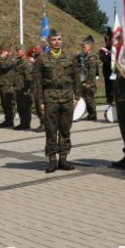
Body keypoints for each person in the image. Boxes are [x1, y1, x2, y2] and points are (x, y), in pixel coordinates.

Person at [33, 30, 79, 173]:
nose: (57, 42)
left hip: (66, 98)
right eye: (54, 39)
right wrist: (39, 101)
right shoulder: (42, 60)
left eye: (59, 39)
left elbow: (77, 79)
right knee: (51, 130)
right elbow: (37, 83)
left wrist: (76, 97)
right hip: (50, 98)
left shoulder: (70, 58)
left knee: (65, 130)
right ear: (49, 41)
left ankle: (63, 159)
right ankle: (52, 160)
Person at [13, 46, 36, 130]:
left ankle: (26, 124)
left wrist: (27, 89)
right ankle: (23, 123)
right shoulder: (19, 62)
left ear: (23, 52)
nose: (16, 53)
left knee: (25, 108)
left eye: (18, 51)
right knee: (20, 107)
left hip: (24, 89)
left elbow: (29, 77)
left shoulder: (26, 63)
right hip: (19, 88)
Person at [78, 37, 100, 121]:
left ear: (90, 47)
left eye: (84, 47)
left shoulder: (92, 58)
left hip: (90, 83)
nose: (83, 49)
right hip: (85, 81)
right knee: (87, 98)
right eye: (82, 47)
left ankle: (93, 114)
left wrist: (89, 83)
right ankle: (90, 113)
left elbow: (92, 72)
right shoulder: (85, 58)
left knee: (89, 98)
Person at [0, 45, 17, 127]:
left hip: (8, 84)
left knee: (8, 103)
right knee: (4, 103)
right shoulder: (6, 59)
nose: (2, 53)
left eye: (3, 51)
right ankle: (7, 119)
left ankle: (9, 120)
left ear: (7, 51)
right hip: (3, 83)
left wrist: (2, 58)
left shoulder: (12, 58)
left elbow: (5, 66)